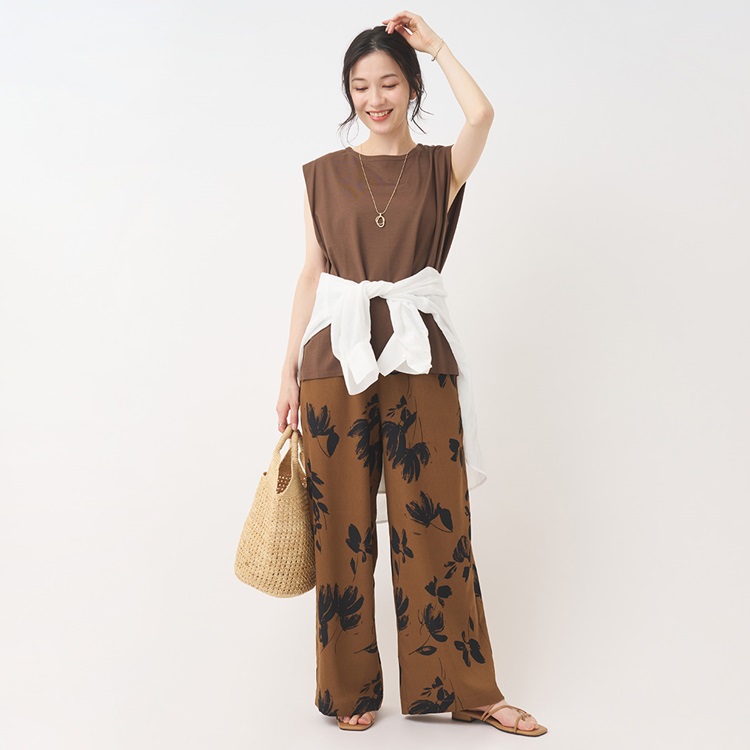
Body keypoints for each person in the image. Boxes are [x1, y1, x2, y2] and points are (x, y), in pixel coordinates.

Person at [276, 10, 547, 736]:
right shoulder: (321, 175)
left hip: (421, 358)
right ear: (348, 92)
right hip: (334, 363)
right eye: (361, 86)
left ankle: (469, 691)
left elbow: (482, 114)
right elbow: (311, 273)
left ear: (412, 87)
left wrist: (437, 45)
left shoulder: (439, 168)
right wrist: (286, 371)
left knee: (437, 526)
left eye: (390, 82)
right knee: (342, 532)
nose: (375, 98)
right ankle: (350, 692)